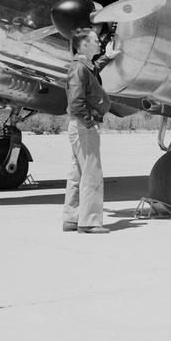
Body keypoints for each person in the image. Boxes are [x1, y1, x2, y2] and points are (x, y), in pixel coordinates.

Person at [62, 27, 111, 234]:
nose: (99, 42)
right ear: (83, 45)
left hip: (79, 126)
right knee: (92, 173)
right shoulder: (78, 69)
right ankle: (89, 221)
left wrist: (108, 57)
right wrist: (90, 124)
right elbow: (76, 103)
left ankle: (72, 218)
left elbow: (92, 71)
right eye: (94, 40)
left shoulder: (83, 67)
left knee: (77, 173)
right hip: (84, 127)